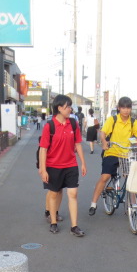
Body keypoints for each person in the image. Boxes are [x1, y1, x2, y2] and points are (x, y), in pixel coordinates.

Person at [88, 96, 137, 215]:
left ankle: (132, 205)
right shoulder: (113, 120)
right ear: (119, 108)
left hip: (126, 153)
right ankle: (93, 204)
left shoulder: (133, 122)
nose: (126, 110)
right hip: (112, 152)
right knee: (105, 177)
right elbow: (103, 133)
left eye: (128, 108)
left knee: (130, 178)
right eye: (123, 107)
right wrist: (104, 142)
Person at [39, 94, 87, 237]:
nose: (70, 109)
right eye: (67, 106)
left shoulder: (73, 124)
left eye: (70, 106)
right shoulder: (50, 126)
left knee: (73, 194)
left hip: (71, 164)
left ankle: (74, 226)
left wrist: (83, 163)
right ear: (59, 108)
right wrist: (43, 169)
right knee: (54, 193)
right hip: (53, 165)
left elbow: (78, 144)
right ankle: (53, 222)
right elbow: (43, 149)